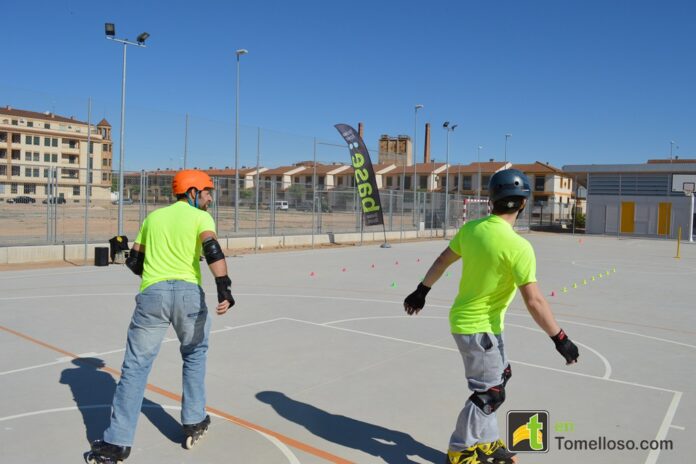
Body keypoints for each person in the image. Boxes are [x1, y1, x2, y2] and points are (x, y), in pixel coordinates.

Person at [403, 169, 579, 464]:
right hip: (477, 328)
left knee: (501, 378)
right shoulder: (519, 246)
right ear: (523, 203)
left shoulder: (472, 230)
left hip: (480, 325)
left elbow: (443, 260)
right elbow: (534, 301)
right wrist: (560, 338)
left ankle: (486, 443)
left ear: (491, 200)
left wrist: (422, 290)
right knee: (489, 394)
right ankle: (460, 451)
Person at [86, 170, 236, 463]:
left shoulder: (153, 218)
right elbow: (211, 247)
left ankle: (117, 442)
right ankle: (193, 420)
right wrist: (224, 288)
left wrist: (125, 251)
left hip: (152, 295)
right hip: (188, 295)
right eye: (207, 192)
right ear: (192, 192)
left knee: (135, 366)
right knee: (194, 355)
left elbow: (135, 263)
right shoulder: (201, 218)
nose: (210, 198)